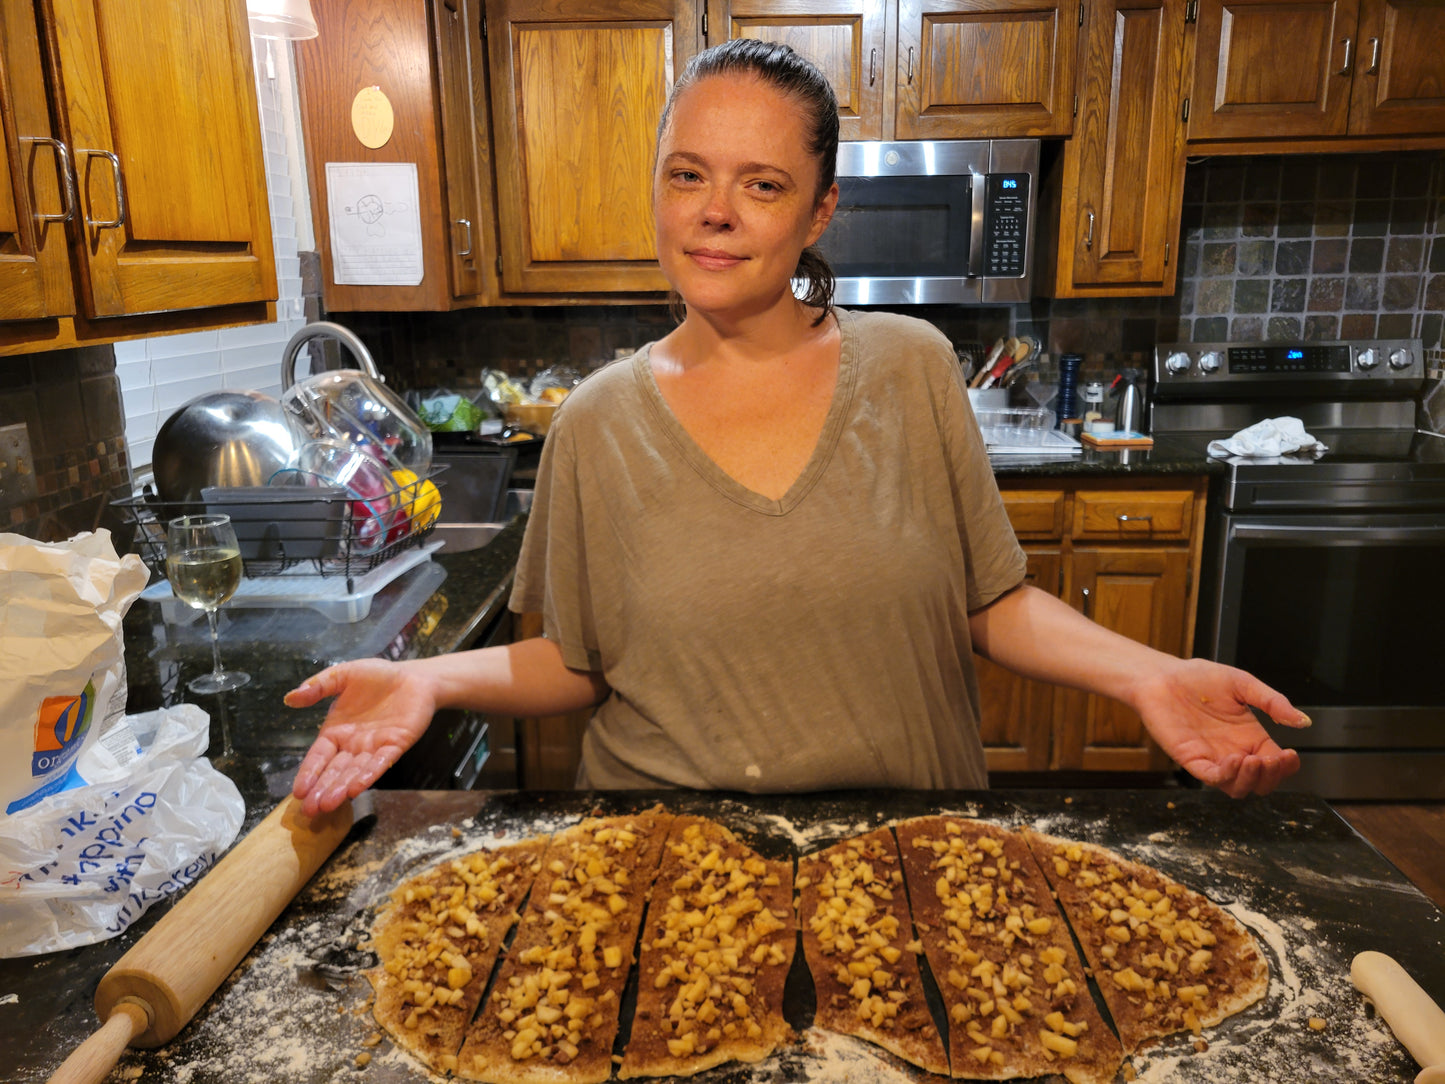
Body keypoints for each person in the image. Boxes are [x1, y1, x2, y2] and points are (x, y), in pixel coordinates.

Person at [285, 39, 1310, 818]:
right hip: (665, 850)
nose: (713, 212)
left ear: (817, 211)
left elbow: (989, 605)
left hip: (912, 842)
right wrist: (421, 679)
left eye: (759, 183)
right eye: (686, 174)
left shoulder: (909, 369)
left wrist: (1150, 674)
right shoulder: (596, 422)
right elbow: (575, 660)